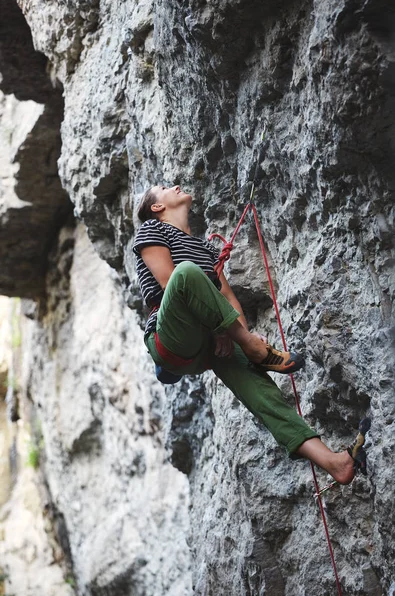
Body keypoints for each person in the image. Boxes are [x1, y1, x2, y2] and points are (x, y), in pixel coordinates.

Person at [133, 184, 368, 484]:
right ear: (156, 207)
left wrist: (231, 333)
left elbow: (229, 299)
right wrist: (233, 334)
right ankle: (254, 349)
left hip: (210, 343)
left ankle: (335, 463)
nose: (175, 185)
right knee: (186, 273)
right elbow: (170, 283)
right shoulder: (152, 230)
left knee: (264, 396)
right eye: (165, 188)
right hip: (172, 336)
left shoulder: (205, 249)